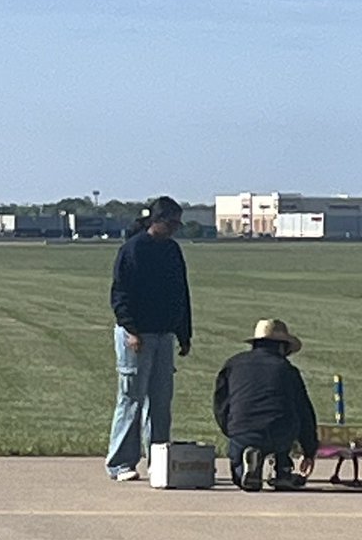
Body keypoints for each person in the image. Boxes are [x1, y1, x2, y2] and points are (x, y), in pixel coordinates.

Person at [105, 197, 192, 481]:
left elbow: (181, 293)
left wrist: (184, 332)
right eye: (172, 223)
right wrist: (130, 329)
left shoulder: (172, 251)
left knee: (160, 401)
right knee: (132, 398)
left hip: (164, 333)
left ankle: (159, 460)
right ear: (158, 220)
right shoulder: (133, 250)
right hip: (136, 335)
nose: (175, 229)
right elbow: (120, 295)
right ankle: (121, 463)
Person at [213, 319, 318, 491]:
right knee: (283, 427)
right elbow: (304, 412)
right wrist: (309, 450)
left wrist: (231, 430)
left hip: (243, 430)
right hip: (280, 432)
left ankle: (245, 468)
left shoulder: (232, 365)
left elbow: (220, 405)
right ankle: (283, 470)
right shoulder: (287, 370)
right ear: (282, 347)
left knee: (239, 471)